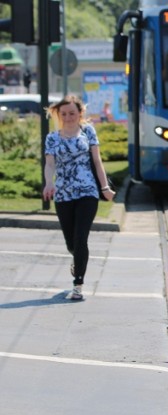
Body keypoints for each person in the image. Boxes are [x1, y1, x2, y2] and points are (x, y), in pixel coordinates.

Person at [42, 95, 116, 301]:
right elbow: (49, 164)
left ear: (80, 114)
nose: (68, 117)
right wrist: (49, 183)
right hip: (64, 193)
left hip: (87, 192)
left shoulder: (88, 131)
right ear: (58, 115)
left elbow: (97, 161)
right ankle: (77, 258)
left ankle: (78, 284)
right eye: (63, 114)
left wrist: (104, 187)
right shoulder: (52, 138)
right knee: (71, 243)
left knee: (81, 237)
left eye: (72, 113)